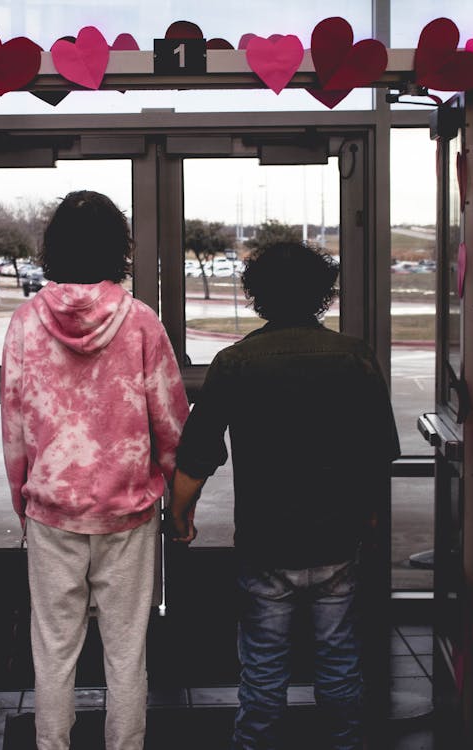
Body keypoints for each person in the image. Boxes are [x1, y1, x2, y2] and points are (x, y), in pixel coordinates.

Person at [169, 241, 400, 750]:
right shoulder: (356, 357)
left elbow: (197, 453)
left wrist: (179, 515)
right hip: (337, 541)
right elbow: (379, 450)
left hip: (265, 544)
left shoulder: (235, 362)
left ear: (258, 296)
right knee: (339, 661)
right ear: (322, 295)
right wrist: (370, 518)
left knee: (263, 668)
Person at [1, 190, 190, 750]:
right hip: (128, 512)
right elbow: (172, 424)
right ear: (118, 250)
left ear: (53, 247)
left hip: (52, 510)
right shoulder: (141, 323)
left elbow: (14, 425)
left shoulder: (24, 323)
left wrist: (25, 500)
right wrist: (178, 505)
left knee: (53, 647)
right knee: (127, 647)